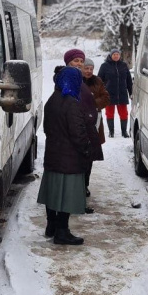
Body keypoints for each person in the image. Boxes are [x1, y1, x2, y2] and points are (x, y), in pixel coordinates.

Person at [38, 66, 90, 245]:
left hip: (53, 156)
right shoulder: (71, 103)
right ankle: (62, 232)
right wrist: (86, 149)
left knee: (52, 194)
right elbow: (78, 134)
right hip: (69, 159)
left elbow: (46, 129)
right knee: (66, 196)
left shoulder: (52, 100)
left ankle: (51, 226)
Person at [60, 49, 102, 213]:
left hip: (83, 131)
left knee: (81, 167)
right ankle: (70, 206)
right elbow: (69, 106)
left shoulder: (80, 80)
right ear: (68, 62)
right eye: (75, 60)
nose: (79, 63)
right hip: (74, 132)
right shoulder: (68, 79)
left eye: (81, 61)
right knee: (73, 168)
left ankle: (76, 201)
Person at [81, 57, 110, 194]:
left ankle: (85, 184)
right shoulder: (77, 81)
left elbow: (106, 98)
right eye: (86, 68)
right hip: (79, 122)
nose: (88, 71)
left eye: (91, 69)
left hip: (95, 123)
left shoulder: (98, 81)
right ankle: (77, 184)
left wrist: (93, 103)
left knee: (90, 156)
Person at [98, 49, 133, 138]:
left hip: (122, 93)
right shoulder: (104, 66)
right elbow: (99, 80)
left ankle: (124, 132)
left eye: (117, 54)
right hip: (109, 94)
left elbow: (129, 80)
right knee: (109, 113)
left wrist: (131, 92)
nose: (116, 56)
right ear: (110, 55)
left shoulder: (124, 65)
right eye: (114, 54)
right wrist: (100, 93)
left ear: (119, 56)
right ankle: (111, 132)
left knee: (124, 113)